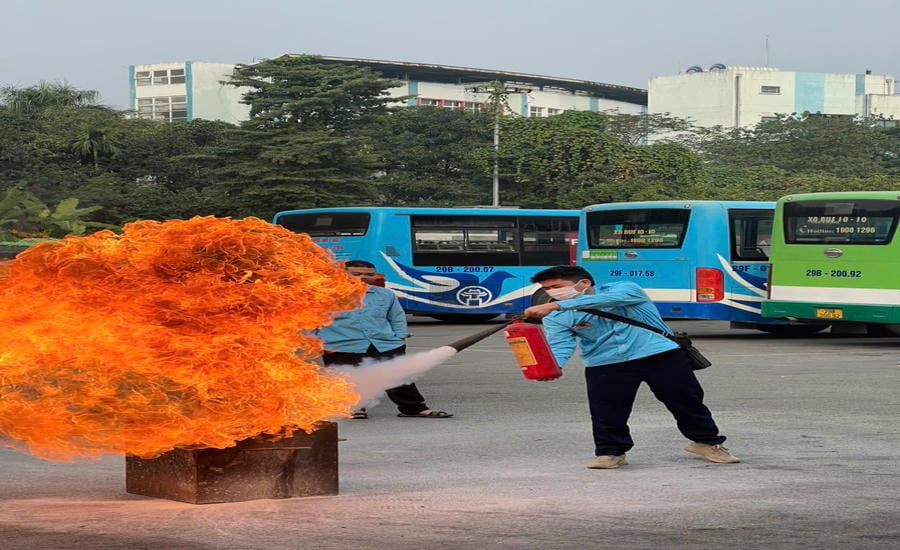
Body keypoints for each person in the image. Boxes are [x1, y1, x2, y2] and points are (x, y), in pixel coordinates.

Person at [523, 265, 738, 469]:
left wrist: (555, 305)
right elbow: (560, 345)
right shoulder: (556, 316)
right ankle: (610, 453)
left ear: (584, 283)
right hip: (605, 362)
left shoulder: (624, 289)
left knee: (687, 401)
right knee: (606, 411)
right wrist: (552, 367)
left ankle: (707, 443)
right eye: (547, 289)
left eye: (557, 286)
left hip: (659, 354)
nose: (552, 293)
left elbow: (608, 300)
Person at [315, 260, 452, 419]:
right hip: (341, 345)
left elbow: (397, 317)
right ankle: (355, 408)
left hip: (384, 343)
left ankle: (414, 409)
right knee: (347, 378)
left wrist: (400, 337)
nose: (363, 277)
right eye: (356, 274)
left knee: (399, 376)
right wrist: (315, 341)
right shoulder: (324, 295)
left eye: (369, 274)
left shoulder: (385, 294)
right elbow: (309, 321)